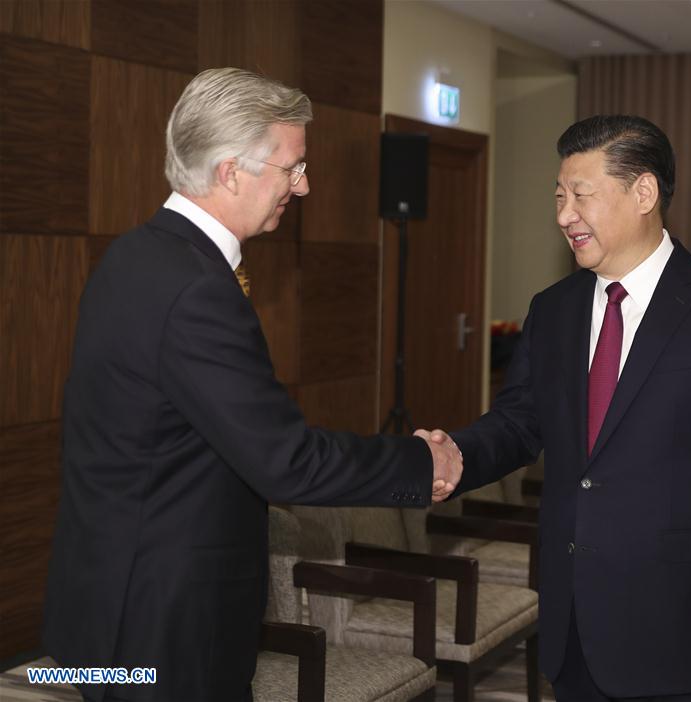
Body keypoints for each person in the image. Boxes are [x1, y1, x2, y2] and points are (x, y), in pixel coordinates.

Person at [42, 67, 462, 702]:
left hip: (108, 609)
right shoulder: (195, 289)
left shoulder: (132, 255)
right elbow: (286, 461)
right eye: (291, 167)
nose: (305, 184)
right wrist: (417, 459)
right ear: (231, 172)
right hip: (164, 632)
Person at [422, 115, 691, 701]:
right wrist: (458, 455)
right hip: (575, 622)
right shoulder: (552, 309)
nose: (563, 216)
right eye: (558, 197)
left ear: (644, 192)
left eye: (580, 196)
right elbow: (520, 423)